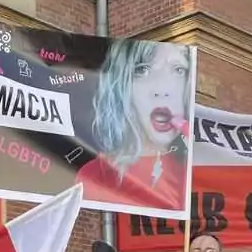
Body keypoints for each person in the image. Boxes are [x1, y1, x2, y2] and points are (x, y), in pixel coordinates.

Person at [75, 39, 191, 213]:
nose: (162, 90)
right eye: (142, 70)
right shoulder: (96, 175)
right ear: (122, 86)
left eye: (178, 70)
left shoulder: (198, 169)